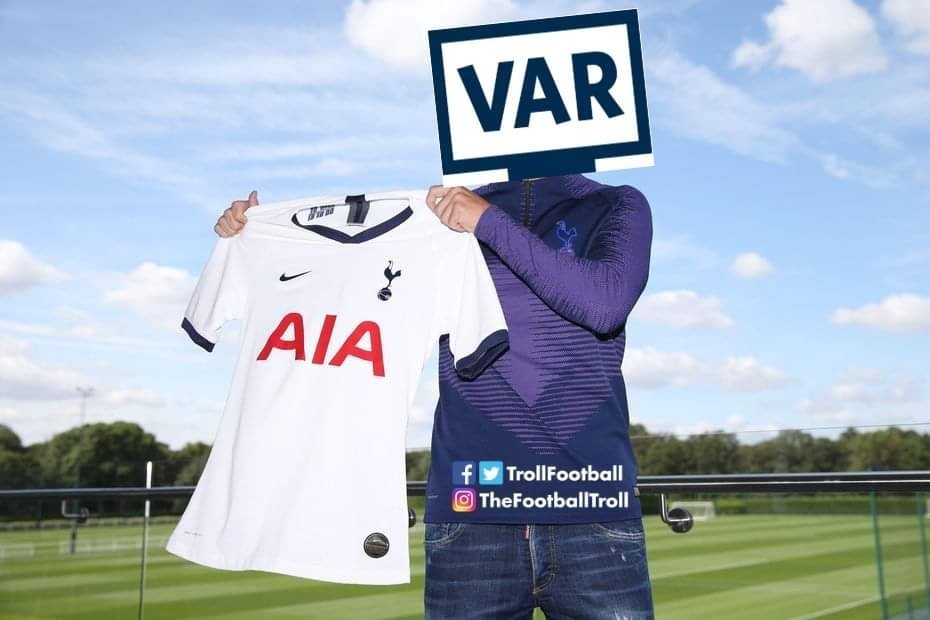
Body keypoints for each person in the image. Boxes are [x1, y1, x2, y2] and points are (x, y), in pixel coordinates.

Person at [214, 174, 654, 619]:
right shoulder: (439, 213)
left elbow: (605, 304)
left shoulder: (616, 202)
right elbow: (345, 263)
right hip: (471, 507)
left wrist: (488, 221)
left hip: (592, 502)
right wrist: (259, 232)